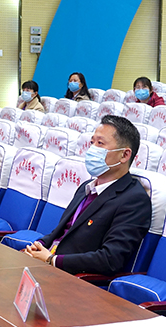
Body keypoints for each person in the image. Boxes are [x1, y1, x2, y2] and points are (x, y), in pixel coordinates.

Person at [24, 115, 152, 275]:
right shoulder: (86, 187)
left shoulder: (134, 200)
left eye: (100, 143)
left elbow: (110, 259)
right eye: (92, 142)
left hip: (72, 277)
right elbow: (63, 232)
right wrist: (39, 245)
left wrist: (52, 260)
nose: (92, 149)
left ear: (124, 155)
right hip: (46, 264)